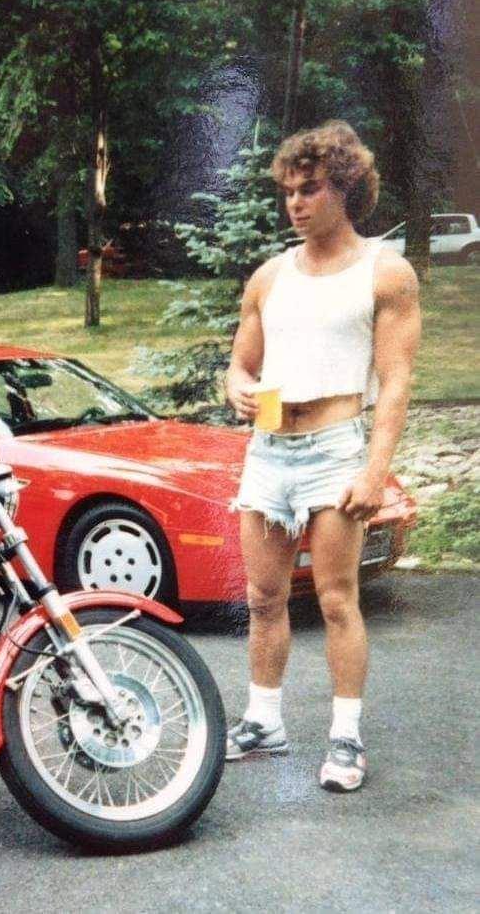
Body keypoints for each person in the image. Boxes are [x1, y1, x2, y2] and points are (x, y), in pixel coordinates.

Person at [224, 121, 421, 791]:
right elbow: (239, 365)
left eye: (308, 189)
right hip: (269, 450)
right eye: (287, 192)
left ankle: (344, 738)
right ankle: (262, 719)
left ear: (343, 188)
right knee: (261, 595)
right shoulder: (269, 276)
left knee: (336, 598)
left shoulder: (384, 271)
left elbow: (394, 381)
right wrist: (239, 390)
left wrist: (372, 471)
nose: (294, 203)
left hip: (336, 449)